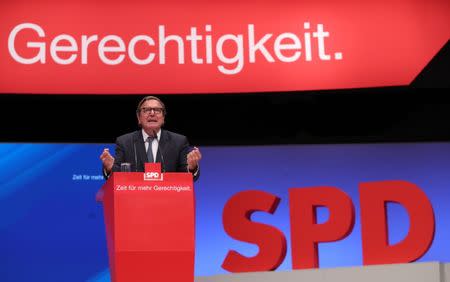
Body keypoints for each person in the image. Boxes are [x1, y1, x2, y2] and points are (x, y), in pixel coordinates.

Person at [100, 95, 201, 181]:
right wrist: (109, 168)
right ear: (139, 117)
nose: (152, 113)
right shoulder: (124, 142)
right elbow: (118, 179)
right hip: (134, 201)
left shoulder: (178, 141)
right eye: (146, 110)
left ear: (163, 118)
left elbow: (186, 178)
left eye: (157, 110)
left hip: (168, 201)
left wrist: (192, 168)